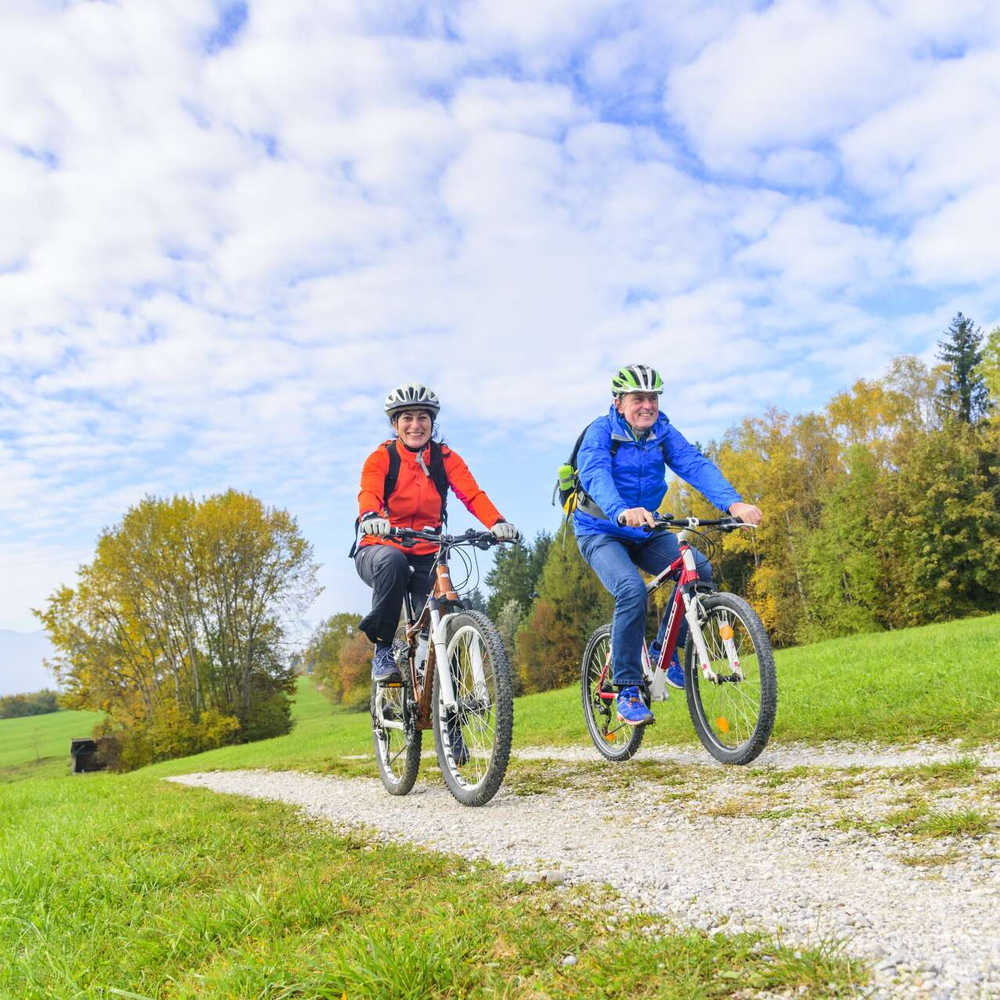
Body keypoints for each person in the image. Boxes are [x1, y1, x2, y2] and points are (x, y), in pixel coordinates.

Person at [575, 363, 763, 727]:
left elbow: (694, 464)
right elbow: (595, 474)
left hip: (646, 528)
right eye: (638, 399)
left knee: (699, 569)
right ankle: (628, 687)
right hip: (601, 530)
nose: (647, 405)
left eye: (652, 398)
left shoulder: (662, 431)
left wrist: (734, 504)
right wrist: (621, 510)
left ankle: (664, 648)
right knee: (631, 590)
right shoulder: (601, 433)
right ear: (618, 402)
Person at [355, 382, 520, 688]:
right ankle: (383, 650)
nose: (415, 425)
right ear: (395, 424)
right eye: (407, 418)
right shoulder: (381, 458)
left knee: (440, 617)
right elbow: (369, 492)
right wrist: (371, 516)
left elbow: (472, 495)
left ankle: (447, 707)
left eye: (422, 417)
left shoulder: (445, 459)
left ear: (432, 422)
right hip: (378, 547)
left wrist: (496, 522)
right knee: (393, 562)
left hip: (427, 551)